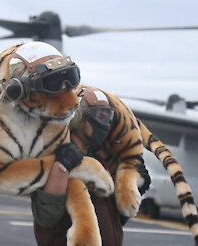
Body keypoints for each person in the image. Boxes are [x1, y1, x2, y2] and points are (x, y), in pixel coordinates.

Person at [31, 87, 151, 246]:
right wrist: (62, 167)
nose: (106, 125)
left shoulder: (100, 163)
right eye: (101, 116)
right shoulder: (56, 159)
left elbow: (112, 221)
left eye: (109, 118)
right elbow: (46, 218)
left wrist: (135, 185)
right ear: (78, 118)